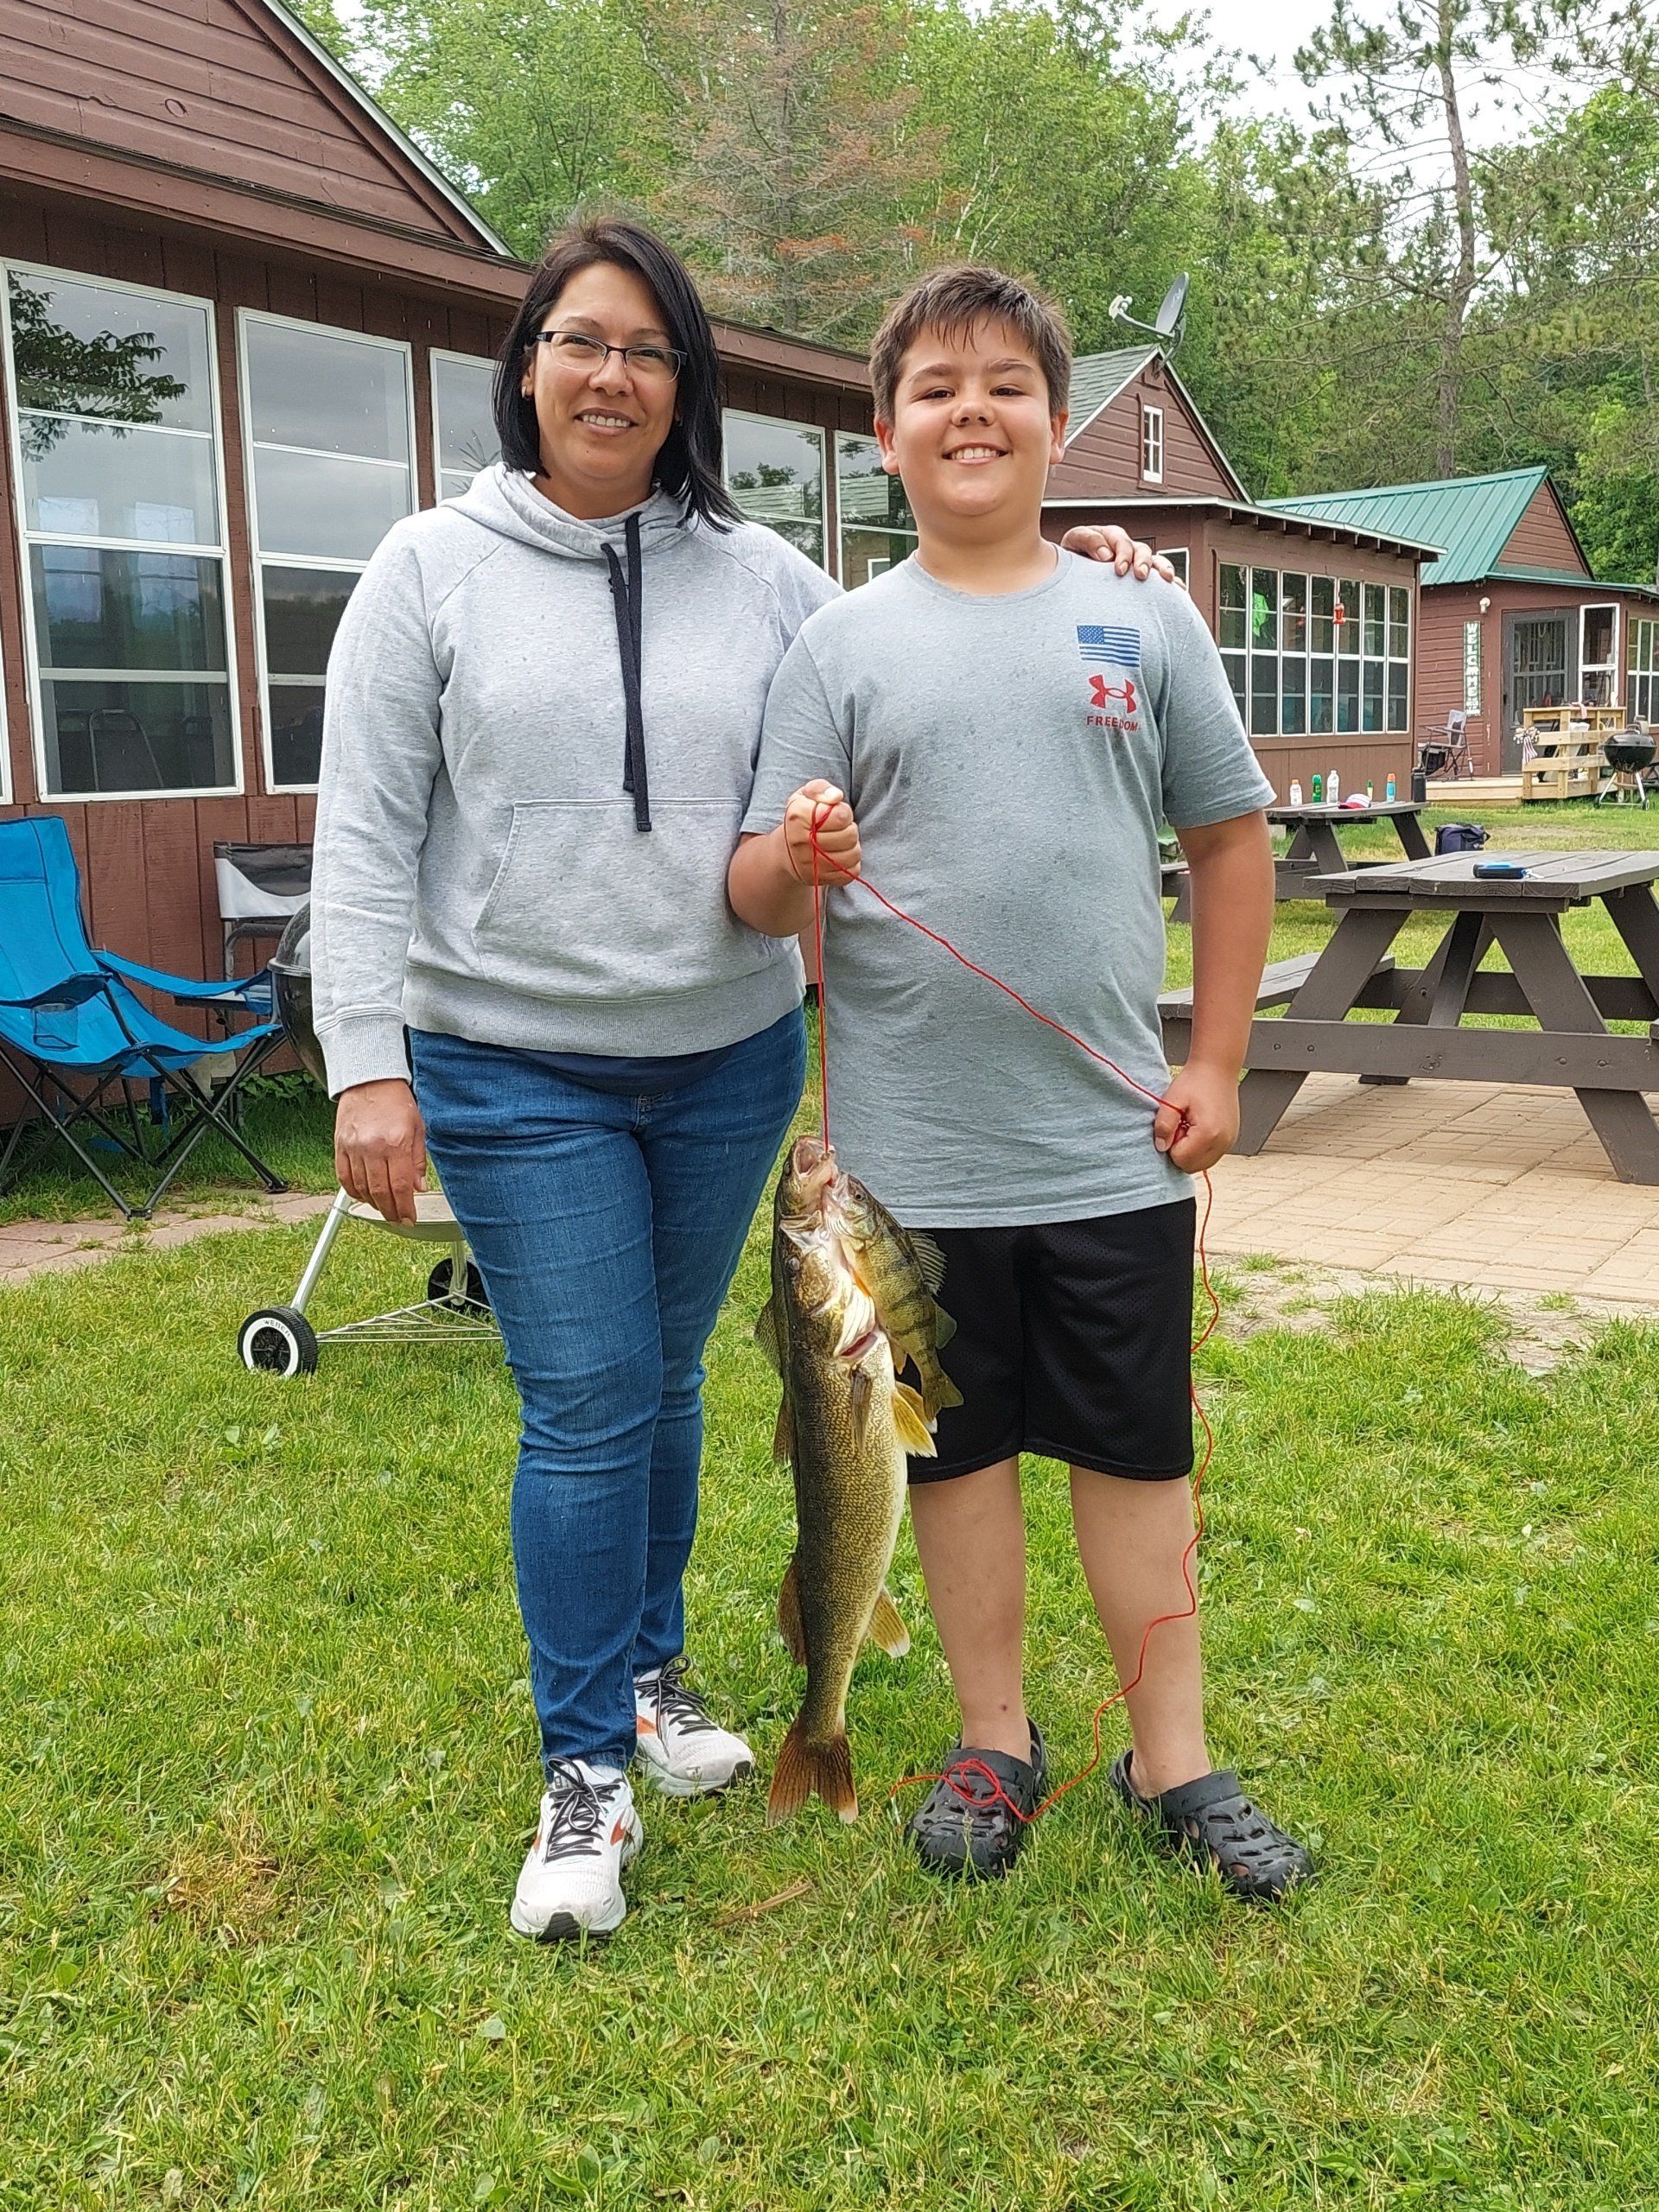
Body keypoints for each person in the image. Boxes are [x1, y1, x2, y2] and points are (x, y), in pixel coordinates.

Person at [310, 218, 1173, 1943]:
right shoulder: (430, 567)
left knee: (687, 1382)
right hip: (511, 1057)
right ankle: (584, 1769)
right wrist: (364, 1065)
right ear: (528, 365)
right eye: (578, 340)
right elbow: (366, 826)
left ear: (686, 380)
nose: (610, 373)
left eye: (645, 347)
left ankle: (650, 1674)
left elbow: (937, 619)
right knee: (589, 1394)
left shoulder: (768, 577)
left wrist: (1087, 559)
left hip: (722, 1063)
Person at [729, 265, 1313, 1899]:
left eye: (1006, 384)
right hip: (910, 1185)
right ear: (884, 431)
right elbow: (755, 893)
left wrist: (1215, 1058)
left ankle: (1173, 1756)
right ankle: (996, 1738)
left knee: (1141, 1458)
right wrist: (796, 855)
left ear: (1064, 424)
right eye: (934, 386)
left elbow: (1226, 837)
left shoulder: (1143, 615)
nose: (970, 409)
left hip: (1116, 1148)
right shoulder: (839, 644)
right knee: (953, 1464)